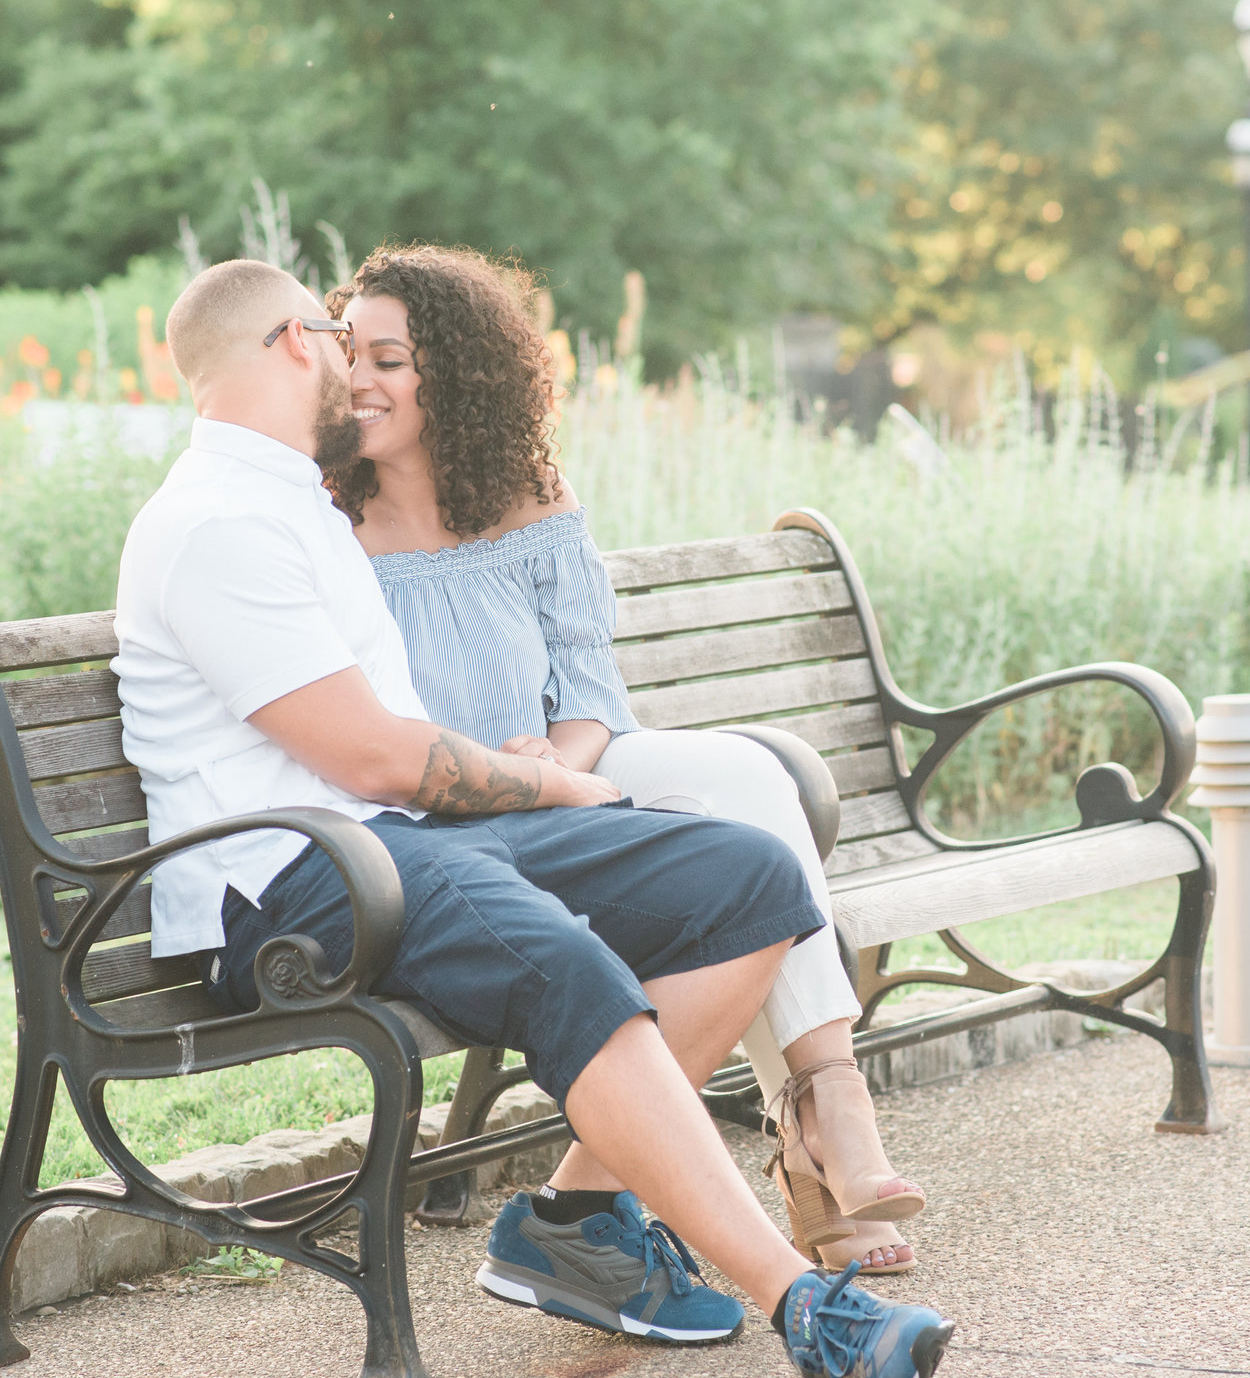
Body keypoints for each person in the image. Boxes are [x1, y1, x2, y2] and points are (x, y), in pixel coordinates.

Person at [113, 257, 953, 1378]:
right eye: (335, 337)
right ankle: (808, 1306)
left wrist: (556, 781)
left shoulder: (292, 501)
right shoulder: (214, 524)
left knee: (747, 878)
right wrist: (554, 790)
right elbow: (369, 755)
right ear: (295, 345)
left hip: (398, 843)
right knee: (564, 961)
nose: (353, 367)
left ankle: (567, 1223)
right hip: (301, 878)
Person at [324, 244, 925, 1275]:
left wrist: (559, 760)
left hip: (563, 779)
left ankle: (828, 1097)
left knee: (750, 779)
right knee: (733, 835)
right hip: (439, 820)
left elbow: (588, 685)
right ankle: (813, 1162)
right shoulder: (325, 522)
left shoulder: (528, 497)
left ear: (459, 372)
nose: (359, 382)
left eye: (390, 359)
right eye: (349, 357)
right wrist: (516, 777)